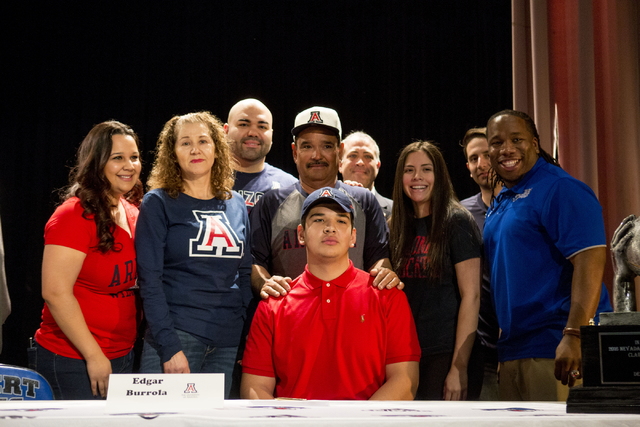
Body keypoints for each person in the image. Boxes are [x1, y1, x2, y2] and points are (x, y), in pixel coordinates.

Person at [241, 187, 420, 399]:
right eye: (318, 220)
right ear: (301, 234)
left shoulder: (387, 295)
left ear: (353, 236)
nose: (330, 228)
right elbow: (254, 387)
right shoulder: (274, 304)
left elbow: (405, 380)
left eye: (341, 221)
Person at [483, 109, 612, 401]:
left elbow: (590, 262)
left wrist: (575, 335)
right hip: (515, 350)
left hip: (557, 347)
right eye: (496, 142)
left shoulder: (560, 188)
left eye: (517, 139)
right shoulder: (504, 198)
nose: (507, 149)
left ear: (535, 142)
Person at [136, 111, 251, 399]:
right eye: (185, 143)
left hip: (226, 341)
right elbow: (150, 281)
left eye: (203, 140)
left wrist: (243, 333)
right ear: (173, 153)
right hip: (177, 336)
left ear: (217, 148)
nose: (195, 149)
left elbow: (245, 272)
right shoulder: (158, 203)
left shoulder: (236, 203)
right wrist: (169, 345)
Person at [31, 121, 143, 399]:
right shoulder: (72, 216)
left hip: (122, 354)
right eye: (117, 158)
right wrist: (93, 355)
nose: (129, 165)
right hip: (73, 359)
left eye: (134, 157)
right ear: (96, 163)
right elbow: (55, 292)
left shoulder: (131, 210)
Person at [250, 106, 401, 300]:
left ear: (340, 151)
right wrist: (265, 283)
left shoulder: (365, 201)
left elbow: (379, 258)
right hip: (291, 320)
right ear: (295, 152)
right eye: (307, 146)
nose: (317, 156)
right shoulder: (270, 203)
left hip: (353, 317)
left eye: (327, 146)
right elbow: (255, 261)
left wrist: (384, 275)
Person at [389, 140, 482, 401]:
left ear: (438, 175)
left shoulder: (457, 221)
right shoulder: (394, 225)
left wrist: (458, 367)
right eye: (409, 170)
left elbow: (471, 296)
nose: (417, 177)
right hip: (406, 356)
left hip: (446, 354)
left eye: (426, 169)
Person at [459, 127, 501, 400]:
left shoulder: (524, 205)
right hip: (482, 347)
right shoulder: (461, 214)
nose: (481, 164)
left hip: (530, 342)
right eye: (474, 158)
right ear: (468, 167)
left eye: (487, 155)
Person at [224, 98, 297, 212]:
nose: (253, 133)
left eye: (262, 127)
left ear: (271, 135)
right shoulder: (204, 180)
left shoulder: (291, 188)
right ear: (226, 131)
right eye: (243, 124)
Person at [339, 131, 393, 218]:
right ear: (340, 164)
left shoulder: (394, 211)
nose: (360, 163)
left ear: (378, 166)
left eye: (368, 156)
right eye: (353, 155)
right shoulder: (325, 204)